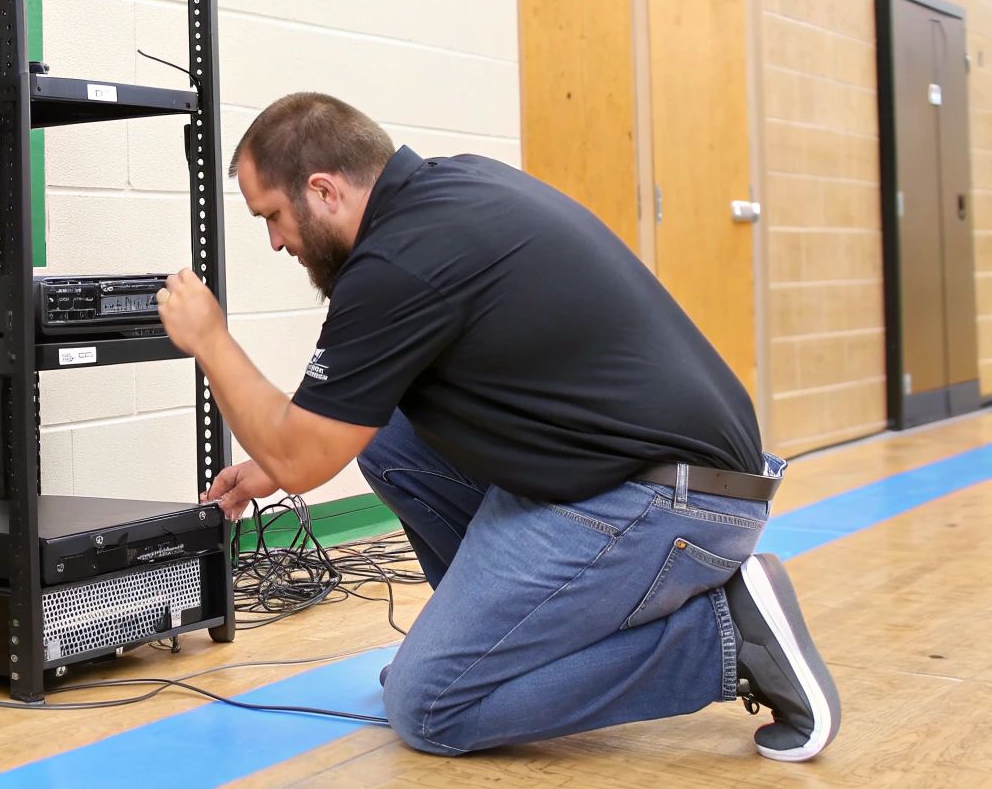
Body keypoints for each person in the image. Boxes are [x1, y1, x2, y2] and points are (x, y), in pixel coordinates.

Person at [154, 91, 841, 761]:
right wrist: (273, 463)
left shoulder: (396, 265)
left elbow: (307, 458)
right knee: (390, 441)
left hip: (669, 502)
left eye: (273, 216)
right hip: (665, 473)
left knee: (429, 708)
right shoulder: (452, 191)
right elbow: (337, 427)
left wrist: (211, 341)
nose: (276, 242)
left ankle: (722, 638)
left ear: (325, 190)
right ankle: (493, 651)